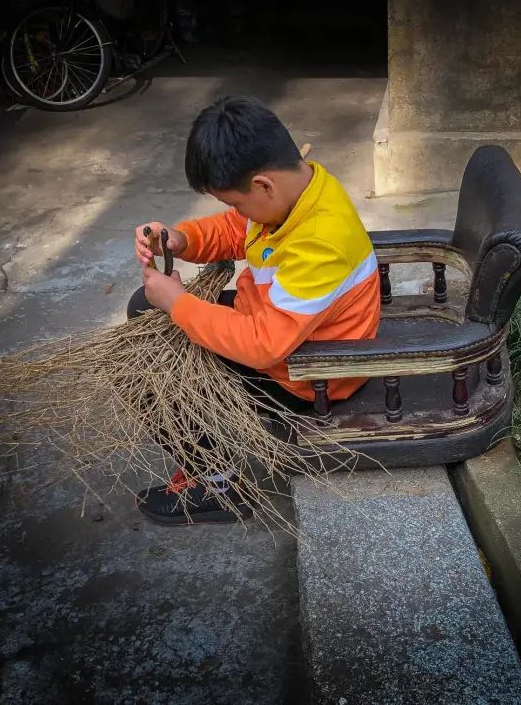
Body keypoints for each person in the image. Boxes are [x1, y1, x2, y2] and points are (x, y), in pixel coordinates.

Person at [128, 95, 381, 525]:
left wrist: (178, 302)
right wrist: (181, 239)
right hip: (280, 331)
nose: (235, 213)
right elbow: (236, 229)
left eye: (236, 202)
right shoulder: (296, 190)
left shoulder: (319, 241)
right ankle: (211, 465)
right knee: (146, 312)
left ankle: (219, 486)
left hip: (306, 374)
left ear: (263, 185)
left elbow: (264, 345)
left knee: (152, 373)